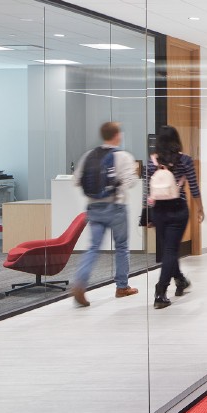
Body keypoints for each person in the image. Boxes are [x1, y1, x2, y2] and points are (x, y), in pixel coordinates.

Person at [71, 121, 139, 307]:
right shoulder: (123, 157)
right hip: (116, 207)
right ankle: (122, 287)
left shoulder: (88, 155)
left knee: (93, 247)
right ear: (117, 135)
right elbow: (130, 182)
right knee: (122, 247)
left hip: (94, 208)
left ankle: (80, 283)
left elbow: (76, 181)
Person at [145, 125, 204, 310]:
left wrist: (147, 214)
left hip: (159, 211)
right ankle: (160, 292)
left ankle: (179, 280)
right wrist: (200, 208)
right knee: (171, 250)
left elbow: (147, 191)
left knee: (169, 249)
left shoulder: (151, 162)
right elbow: (193, 187)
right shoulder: (184, 160)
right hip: (178, 210)